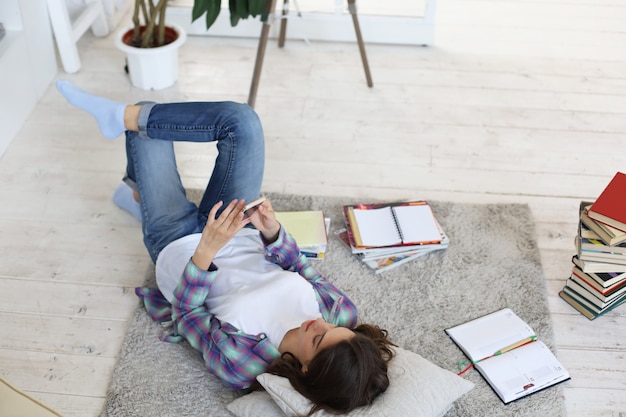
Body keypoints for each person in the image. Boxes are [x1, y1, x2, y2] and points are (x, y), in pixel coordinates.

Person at [56, 80, 395, 415]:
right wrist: (272, 231)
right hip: (240, 226)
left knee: (147, 124)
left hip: (180, 247)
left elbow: (188, 314)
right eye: (333, 329)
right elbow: (300, 267)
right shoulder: (341, 315)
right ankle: (133, 169)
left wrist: (207, 249)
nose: (319, 324)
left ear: (307, 370)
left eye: (318, 339)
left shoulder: (246, 366)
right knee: (241, 122)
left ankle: (139, 185)